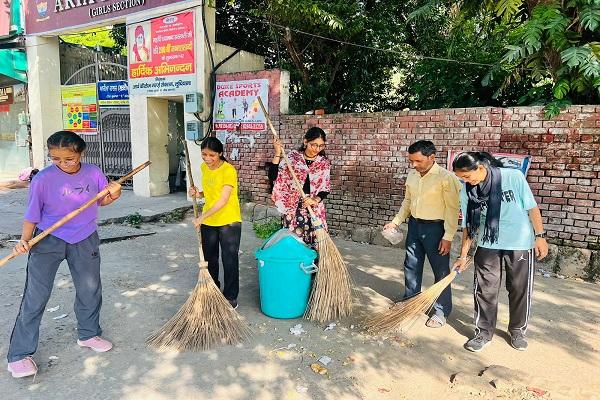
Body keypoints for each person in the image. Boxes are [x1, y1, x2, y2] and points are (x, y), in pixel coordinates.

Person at [7, 130, 121, 379]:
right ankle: (19, 354)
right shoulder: (43, 180)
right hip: (48, 239)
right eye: (55, 159)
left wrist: (115, 193)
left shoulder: (93, 172)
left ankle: (89, 334)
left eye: (68, 159)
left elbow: (101, 201)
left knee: (89, 289)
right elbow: (32, 215)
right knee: (36, 296)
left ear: (80, 153)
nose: (61, 164)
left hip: (84, 236)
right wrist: (24, 241)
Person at [452, 151, 549, 352]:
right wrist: (463, 256)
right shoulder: (467, 192)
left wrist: (540, 236)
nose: (466, 182)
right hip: (488, 243)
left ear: (480, 168)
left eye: (467, 177)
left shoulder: (513, 177)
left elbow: (532, 208)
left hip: (519, 242)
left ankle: (518, 331)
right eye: (461, 179)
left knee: (519, 289)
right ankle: (483, 332)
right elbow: (469, 226)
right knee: (485, 290)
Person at [384, 140, 462, 328]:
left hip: (437, 229)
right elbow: (407, 202)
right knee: (411, 265)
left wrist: (448, 236)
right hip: (415, 226)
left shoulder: (446, 178)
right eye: (411, 161)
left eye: (418, 161)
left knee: (441, 271)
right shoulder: (412, 175)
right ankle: (410, 301)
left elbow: (453, 210)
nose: (414, 165)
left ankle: (441, 311)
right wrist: (395, 222)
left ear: (432, 157)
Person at [189, 137, 242, 309]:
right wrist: (198, 194)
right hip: (209, 220)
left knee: (229, 259)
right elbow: (211, 193)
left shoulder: (228, 171)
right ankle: (213, 291)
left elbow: (223, 200)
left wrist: (201, 218)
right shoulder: (204, 167)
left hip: (229, 220)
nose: (207, 159)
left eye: (212, 155)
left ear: (220, 153)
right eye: (204, 154)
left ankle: (231, 297)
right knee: (209, 258)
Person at [269, 127, 331, 248]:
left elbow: (325, 189)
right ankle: (294, 265)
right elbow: (273, 176)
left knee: (314, 242)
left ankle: (310, 266)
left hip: (313, 209)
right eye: (314, 145)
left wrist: (315, 200)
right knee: (293, 242)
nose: (317, 149)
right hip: (293, 209)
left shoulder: (323, 163)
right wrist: (277, 153)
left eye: (321, 146)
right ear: (305, 141)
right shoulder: (292, 158)